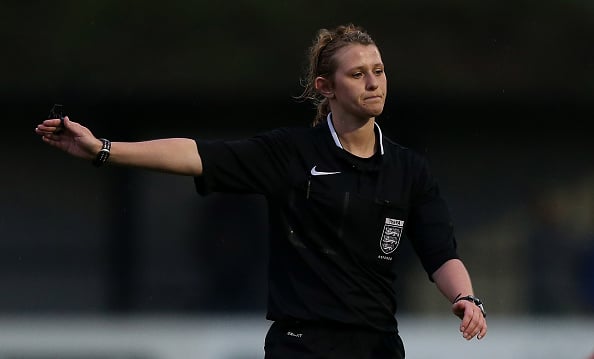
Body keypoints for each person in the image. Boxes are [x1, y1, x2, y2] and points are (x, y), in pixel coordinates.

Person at [35, 24, 487, 359]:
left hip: (379, 346)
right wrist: (103, 150)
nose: (373, 83)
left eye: (379, 71)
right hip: (302, 345)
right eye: (358, 74)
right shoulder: (289, 153)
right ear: (325, 88)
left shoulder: (409, 169)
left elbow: (440, 253)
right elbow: (196, 155)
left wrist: (464, 298)